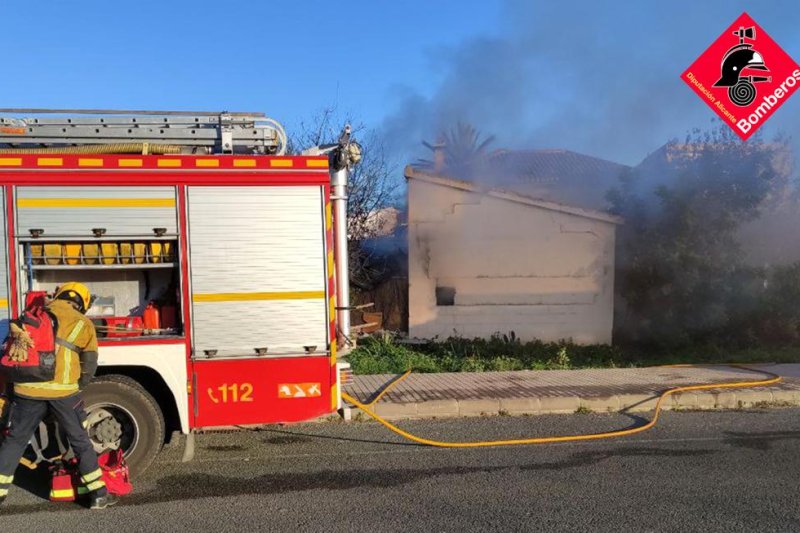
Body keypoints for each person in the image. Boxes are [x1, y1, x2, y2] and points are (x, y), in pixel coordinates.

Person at [0, 282, 117, 509]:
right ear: (81, 302)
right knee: (80, 441)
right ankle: (98, 494)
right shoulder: (83, 323)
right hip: (64, 394)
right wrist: (76, 386)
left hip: (27, 391)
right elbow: (89, 364)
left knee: (14, 441)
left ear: (59, 295)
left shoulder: (36, 313)